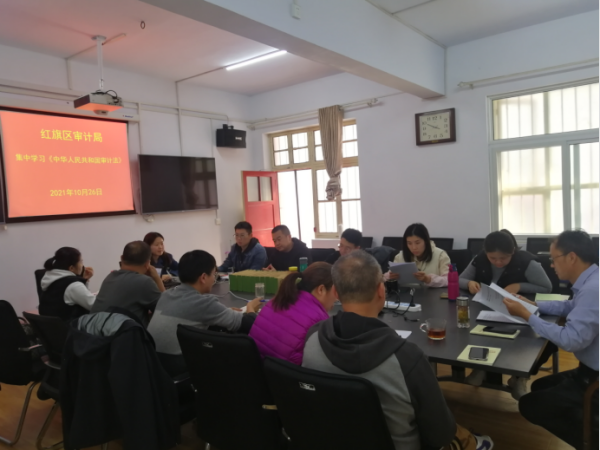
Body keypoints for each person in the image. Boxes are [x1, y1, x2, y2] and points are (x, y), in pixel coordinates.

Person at [303, 251, 493, 450]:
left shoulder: (313, 338)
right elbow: (441, 434)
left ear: (335, 292)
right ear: (381, 290)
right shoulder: (407, 358)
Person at [504, 230, 599, 449]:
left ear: (572, 257)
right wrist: (533, 305)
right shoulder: (591, 280)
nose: (552, 265)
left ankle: (591, 440)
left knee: (529, 405)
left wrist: (527, 316)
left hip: (594, 381)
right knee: (540, 386)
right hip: (586, 370)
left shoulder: (593, 289)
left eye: (554, 258)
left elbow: (570, 340)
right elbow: (570, 306)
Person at [148, 250, 263, 376]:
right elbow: (248, 324)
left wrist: (225, 312)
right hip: (179, 366)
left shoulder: (166, 295)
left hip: (152, 363)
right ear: (203, 277)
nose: (214, 278)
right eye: (214, 274)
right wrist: (250, 308)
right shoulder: (204, 303)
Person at [249, 262, 336, 365]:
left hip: (255, 368)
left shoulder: (277, 300)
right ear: (321, 290)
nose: (336, 298)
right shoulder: (318, 320)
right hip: (280, 374)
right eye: (335, 291)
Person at [92, 241, 165, 328]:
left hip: (93, 332)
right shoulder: (144, 282)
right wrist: (157, 279)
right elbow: (166, 309)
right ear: (147, 264)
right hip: (122, 335)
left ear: (121, 258)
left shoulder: (110, 277)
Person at [459, 230, 552, 295]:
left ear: (512, 251)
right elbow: (459, 280)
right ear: (486, 253)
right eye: (492, 258)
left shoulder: (526, 262)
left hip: (518, 308)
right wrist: (469, 283)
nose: (498, 262)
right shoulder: (480, 259)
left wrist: (519, 286)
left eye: (503, 258)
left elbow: (547, 288)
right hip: (483, 306)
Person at [39, 247, 96, 321]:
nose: (83, 265)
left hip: (52, 327)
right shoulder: (73, 285)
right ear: (71, 268)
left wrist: (85, 280)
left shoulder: (50, 279)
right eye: (80, 262)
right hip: (72, 326)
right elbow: (95, 306)